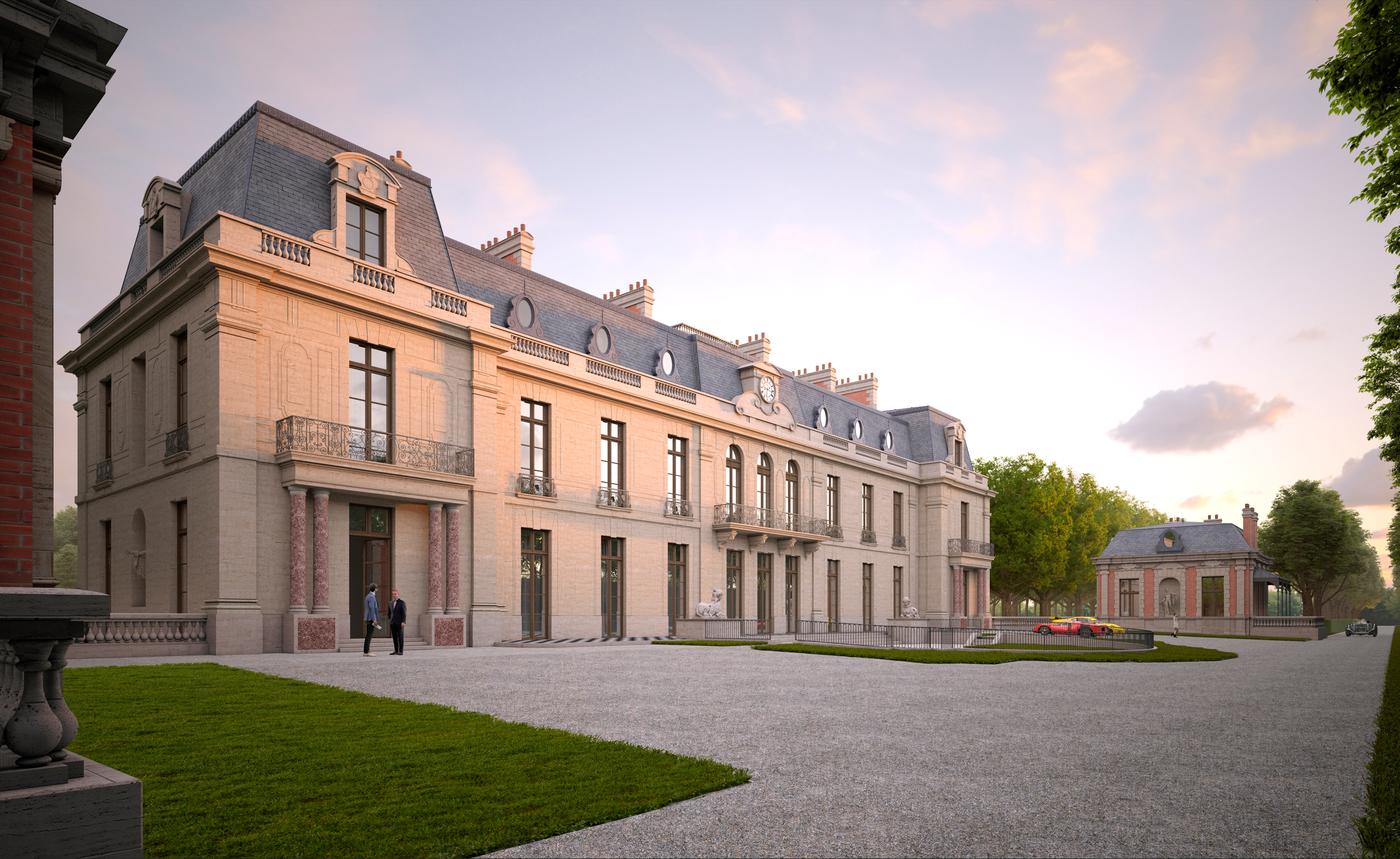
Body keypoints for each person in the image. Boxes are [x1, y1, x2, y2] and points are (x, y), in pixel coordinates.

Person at [363, 583, 380, 656]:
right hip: (371, 618)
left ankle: (366, 651)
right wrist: (374, 619)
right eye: (377, 588)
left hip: (369, 618)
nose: (377, 589)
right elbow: (372, 608)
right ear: (375, 589)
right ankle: (366, 651)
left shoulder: (368, 596)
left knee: (368, 635)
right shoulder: (371, 597)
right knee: (369, 635)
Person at [388, 588, 407, 655]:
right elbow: (389, 613)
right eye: (393, 594)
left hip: (400, 623)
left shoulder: (402, 603)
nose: (394, 595)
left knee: (400, 637)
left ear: (398, 594)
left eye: (395, 594)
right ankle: (396, 650)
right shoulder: (390, 603)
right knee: (394, 638)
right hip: (393, 623)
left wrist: (403, 621)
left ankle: (401, 651)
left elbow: (404, 613)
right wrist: (390, 620)